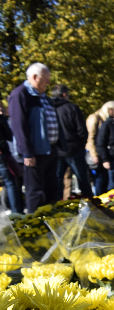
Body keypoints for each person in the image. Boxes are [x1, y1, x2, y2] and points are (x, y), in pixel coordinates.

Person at [8, 63, 61, 213]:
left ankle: (51, 222)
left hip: (50, 150)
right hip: (35, 153)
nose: (48, 83)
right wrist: (27, 153)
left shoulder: (43, 96)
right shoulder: (20, 94)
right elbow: (18, 126)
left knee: (51, 188)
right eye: (46, 79)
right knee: (36, 191)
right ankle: (35, 226)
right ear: (34, 77)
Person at [50, 84, 92, 199]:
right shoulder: (72, 108)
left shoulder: (48, 108)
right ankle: (90, 205)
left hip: (56, 149)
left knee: (57, 181)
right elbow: (82, 130)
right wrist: (81, 145)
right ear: (64, 95)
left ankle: (57, 206)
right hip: (74, 149)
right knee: (82, 179)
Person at [87, 101, 114, 195]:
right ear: (109, 110)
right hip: (96, 154)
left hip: (104, 153)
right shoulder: (95, 118)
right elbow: (90, 138)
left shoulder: (106, 119)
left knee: (105, 181)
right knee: (99, 180)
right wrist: (94, 154)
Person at [0, 104, 22, 213]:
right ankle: (16, 212)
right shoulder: (1, 119)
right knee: (10, 182)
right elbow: (9, 135)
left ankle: (8, 207)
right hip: (2, 153)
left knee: (8, 182)